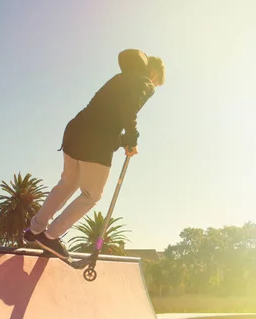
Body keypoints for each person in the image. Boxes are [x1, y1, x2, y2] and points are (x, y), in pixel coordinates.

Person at [24, 50, 166, 259]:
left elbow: (109, 115)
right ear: (153, 74)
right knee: (92, 195)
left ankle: (33, 231)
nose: (154, 87)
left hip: (75, 132)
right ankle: (51, 236)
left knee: (67, 184)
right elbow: (128, 110)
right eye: (156, 83)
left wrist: (124, 140)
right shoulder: (144, 83)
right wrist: (132, 138)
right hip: (95, 144)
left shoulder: (120, 78)